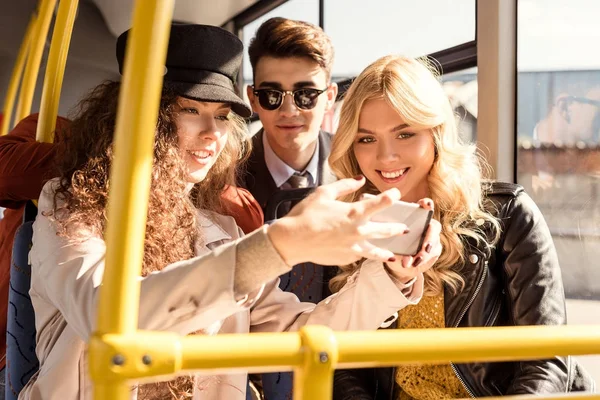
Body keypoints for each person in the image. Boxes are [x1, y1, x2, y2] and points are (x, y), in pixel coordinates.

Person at [20, 26, 444, 400]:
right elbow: (107, 319)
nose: (211, 134)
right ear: (137, 117)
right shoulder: (71, 205)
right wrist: (282, 243)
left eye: (222, 116)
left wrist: (391, 275)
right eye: (190, 110)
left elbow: (304, 333)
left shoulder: (217, 229)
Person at [327, 55, 595, 398]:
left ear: (436, 133)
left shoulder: (507, 214)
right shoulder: (353, 224)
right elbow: (344, 366)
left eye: (405, 133)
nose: (386, 156)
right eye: (366, 139)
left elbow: (547, 362)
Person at [240, 17, 338, 216]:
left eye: (305, 94)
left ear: (329, 97)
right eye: (271, 95)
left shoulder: (358, 163)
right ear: (253, 99)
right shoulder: (223, 177)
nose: (289, 111)